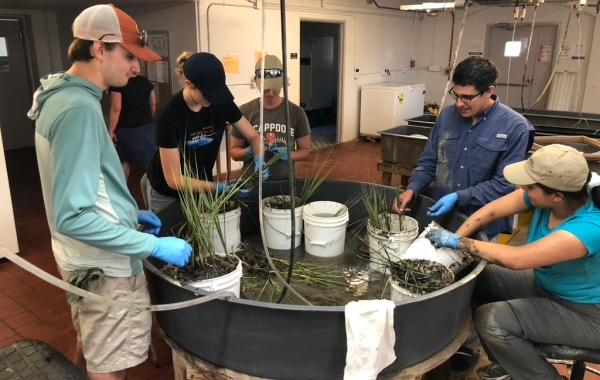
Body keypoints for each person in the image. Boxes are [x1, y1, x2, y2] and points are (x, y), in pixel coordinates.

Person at [27, 5, 192, 379]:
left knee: (98, 348)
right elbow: (74, 216)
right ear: (100, 48)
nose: (137, 68)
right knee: (110, 367)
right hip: (104, 265)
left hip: (83, 258)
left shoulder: (60, 94)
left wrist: (129, 213)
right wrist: (153, 246)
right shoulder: (79, 110)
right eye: (130, 56)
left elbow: (80, 184)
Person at [425, 144, 600, 380]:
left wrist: (461, 244)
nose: (522, 189)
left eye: (528, 186)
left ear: (557, 196)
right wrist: (455, 238)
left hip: (586, 314)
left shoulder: (588, 228)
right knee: (477, 275)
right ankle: (512, 361)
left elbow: (519, 259)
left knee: (491, 320)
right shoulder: (558, 193)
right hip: (548, 285)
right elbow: (490, 212)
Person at [394, 56, 535, 239]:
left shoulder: (515, 127)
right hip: (443, 216)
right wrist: (412, 188)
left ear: (490, 91)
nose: (460, 103)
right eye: (457, 95)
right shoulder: (446, 117)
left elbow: (503, 185)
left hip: (485, 224)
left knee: (476, 266)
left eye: (468, 97)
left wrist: (459, 197)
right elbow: (429, 161)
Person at [143, 51, 268, 213]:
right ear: (189, 84)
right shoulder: (169, 114)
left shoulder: (221, 102)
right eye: (209, 94)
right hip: (166, 193)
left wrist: (259, 158)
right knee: (170, 234)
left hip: (202, 186)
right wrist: (217, 187)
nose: (214, 99)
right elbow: (174, 179)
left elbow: (253, 136)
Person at [230, 54, 312, 180]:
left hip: (286, 182)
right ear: (256, 83)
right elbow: (234, 153)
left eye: (274, 88)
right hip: (253, 180)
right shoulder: (244, 112)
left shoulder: (296, 113)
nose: (270, 93)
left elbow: (306, 151)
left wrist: (288, 155)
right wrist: (251, 151)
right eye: (265, 89)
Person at [109, 74, 157, 179]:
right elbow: (153, 103)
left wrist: (111, 130)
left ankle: (122, 191)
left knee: (123, 161)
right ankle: (153, 191)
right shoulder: (145, 81)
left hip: (124, 129)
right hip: (146, 127)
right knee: (151, 163)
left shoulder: (117, 82)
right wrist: (147, 118)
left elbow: (116, 108)